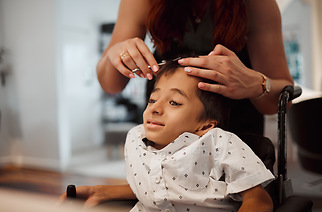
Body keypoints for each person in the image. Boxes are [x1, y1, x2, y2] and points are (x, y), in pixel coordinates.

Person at [60, 61, 274, 212]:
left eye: (174, 102)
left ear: (206, 125)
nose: (154, 108)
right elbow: (160, 186)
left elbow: (259, 203)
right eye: (152, 99)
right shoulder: (135, 138)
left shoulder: (217, 143)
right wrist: (99, 191)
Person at [96, 0, 293, 136]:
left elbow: (282, 95)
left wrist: (256, 84)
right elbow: (110, 84)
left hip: (237, 138)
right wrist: (115, 53)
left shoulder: (256, 5)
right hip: (164, 146)